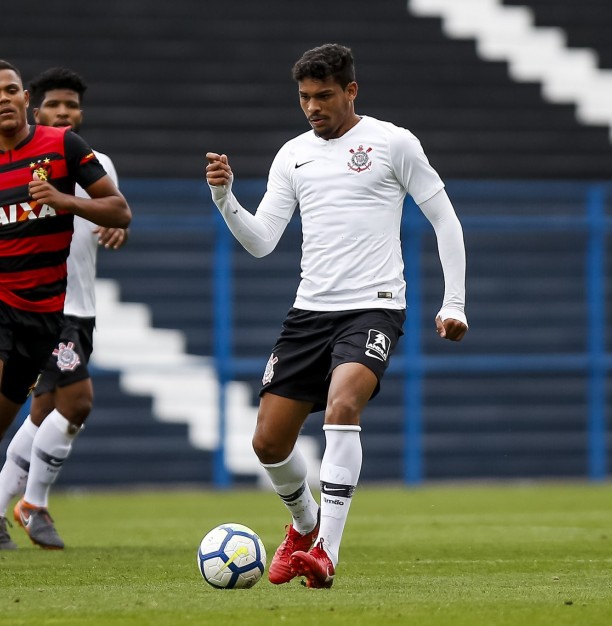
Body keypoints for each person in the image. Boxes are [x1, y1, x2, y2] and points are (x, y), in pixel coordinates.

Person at [204, 43, 467, 589]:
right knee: (268, 443)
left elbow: (445, 220)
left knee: (342, 403)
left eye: (324, 96)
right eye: (304, 97)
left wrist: (454, 302)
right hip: (309, 312)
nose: (313, 107)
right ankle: (304, 526)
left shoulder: (393, 143)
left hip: (374, 305)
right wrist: (226, 198)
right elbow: (260, 243)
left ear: (351, 90)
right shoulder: (292, 154)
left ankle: (326, 551)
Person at [0, 59, 131, 569]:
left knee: (3, 424)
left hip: (49, 308)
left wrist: (64, 201)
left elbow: (119, 211)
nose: (5, 98)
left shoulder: (69, 152)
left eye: (12, 89)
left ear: (23, 99)